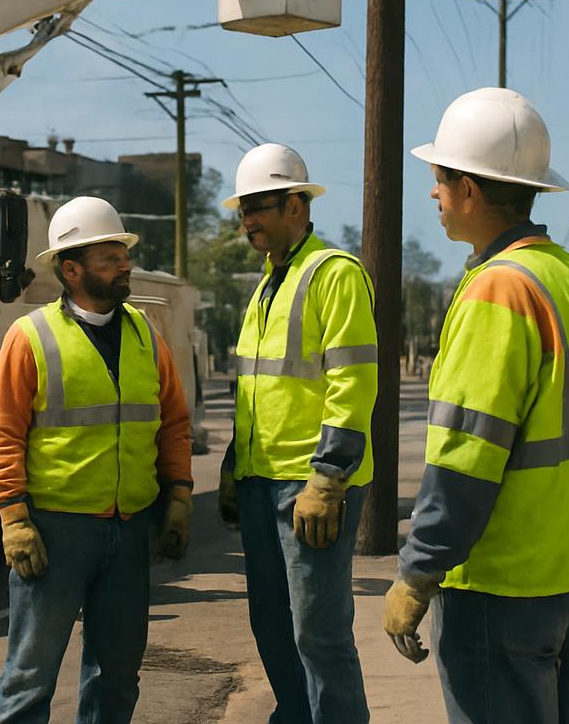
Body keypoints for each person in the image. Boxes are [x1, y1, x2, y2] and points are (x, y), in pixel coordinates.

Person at [383, 88, 569, 724]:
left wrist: (417, 573)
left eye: (439, 179)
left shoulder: (498, 289)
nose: (433, 194)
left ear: (470, 188)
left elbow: (466, 457)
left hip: (508, 580)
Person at [0, 195, 194, 724]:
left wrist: (181, 496)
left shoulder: (147, 334)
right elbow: (2, 432)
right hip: (55, 532)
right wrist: (13, 517)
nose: (125, 267)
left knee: (118, 675)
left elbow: (172, 423)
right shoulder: (30, 337)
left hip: (128, 533)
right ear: (71, 269)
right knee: (30, 676)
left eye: (123, 256)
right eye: (110, 258)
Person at [219, 143, 377, 723]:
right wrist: (235, 465)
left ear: (295, 204)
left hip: (309, 487)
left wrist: (329, 477)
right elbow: (257, 391)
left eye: (257, 207)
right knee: (272, 623)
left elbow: (353, 384)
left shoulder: (332, 274)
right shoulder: (267, 285)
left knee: (319, 634)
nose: (247, 221)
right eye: (242, 211)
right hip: (263, 482)